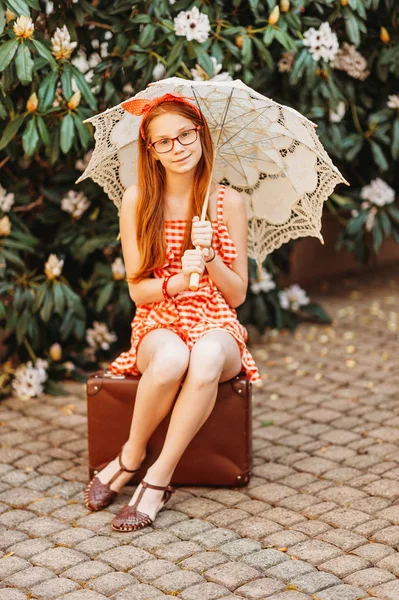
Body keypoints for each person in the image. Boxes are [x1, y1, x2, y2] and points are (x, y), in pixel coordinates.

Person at [84, 92, 262, 532]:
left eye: (185, 134)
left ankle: (158, 479)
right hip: (160, 317)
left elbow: (237, 295)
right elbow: (138, 292)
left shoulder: (226, 203)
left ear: (201, 134)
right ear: (151, 150)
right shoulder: (138, 200)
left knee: (202, 355)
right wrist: (180, 280)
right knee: (171, 358)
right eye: (164, 141)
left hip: (216, 321)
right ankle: (131, 454)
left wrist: (211, 256)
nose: (177, 147)